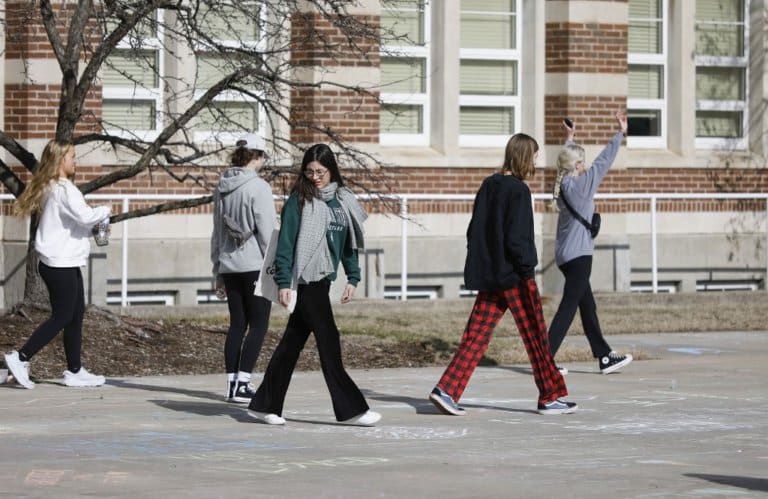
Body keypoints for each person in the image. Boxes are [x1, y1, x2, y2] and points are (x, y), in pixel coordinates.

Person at [428, 133, 578, 416]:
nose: (536, 161)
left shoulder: (488, 185)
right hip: (515, 276)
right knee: (536, 337)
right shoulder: (519, 191)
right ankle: (550, 395)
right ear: (524, 157)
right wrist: (527, 269)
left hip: (492, 274)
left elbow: (475, 230)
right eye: (534, 156)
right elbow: (518, 238)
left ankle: (447, 390)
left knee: (476, 335)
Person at [247, 143, 381, 426]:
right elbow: (285, 243)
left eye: (320, 171)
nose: (314, 177)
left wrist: (353, 277)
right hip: (306, 279)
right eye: (309, 171)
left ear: (331, 170)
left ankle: (263, 404)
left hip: (324, 278)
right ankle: (352, 409)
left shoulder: (342, 201)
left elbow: (347, 245)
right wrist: (284, 281)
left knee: (292, 343)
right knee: (328, 340)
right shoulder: (300, 200)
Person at [4, 140, 111, 389]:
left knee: (75, 316)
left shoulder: (54, 188)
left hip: (66, 260)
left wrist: (94, 225)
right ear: (60, 160)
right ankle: (21, 357)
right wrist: (106, 210)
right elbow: (85, 216)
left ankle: (75, 370)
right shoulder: (63, 190)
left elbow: (74, 224)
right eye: (72, 156)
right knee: (63, 315)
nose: (76, 160)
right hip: (59, 262)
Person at [547, 111, 633, 375]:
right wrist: (621, 133)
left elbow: (565, 164)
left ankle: (604, 356)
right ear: (576, 166)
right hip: (580, 256)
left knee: (587, 305)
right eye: (581, 162)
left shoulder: (561, 187)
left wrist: (569, 138)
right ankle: (544, 361)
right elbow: (604, 161)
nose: (584, 165)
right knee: (568, 307)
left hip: (564, 255)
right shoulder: (582, 186)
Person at [211, 133, 277, 403]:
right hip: (254, 265)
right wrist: (276, 267)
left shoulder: (221, 186)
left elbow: (216, 232)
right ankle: (243, 383)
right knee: (259, 325)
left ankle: (231, 385)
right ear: (258, 156)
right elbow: (268, 232)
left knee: (237, 324)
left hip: (229, 266)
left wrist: (217, 270)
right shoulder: (258, 187)